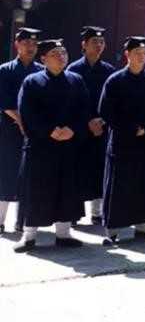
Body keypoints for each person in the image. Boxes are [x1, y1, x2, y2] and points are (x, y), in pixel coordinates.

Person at [13, 39, 88, 252]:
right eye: (55, 53)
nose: (61, 56)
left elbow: (84, 110)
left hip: (68, 146)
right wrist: (49, 131)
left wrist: (73, 129)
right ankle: (29, 237)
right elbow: (27, 113)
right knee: (36, 191)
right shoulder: (32, 81)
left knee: (66, 189)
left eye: (63, 52)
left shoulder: (76, 80)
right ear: (43, 58)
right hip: (41, 147)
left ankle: (63, 234)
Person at [99, 36, 145, 245]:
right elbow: (106, 111)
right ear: (127, 55)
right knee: (118, 186)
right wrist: (131, 128)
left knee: (143, 184)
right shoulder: (115, 81)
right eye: (137, 54)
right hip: (122, 142)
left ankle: (141, 226)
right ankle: (112, 230)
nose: (141, 57)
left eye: (144, 54)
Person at [68, 25, 114, 225]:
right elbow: (71, 102)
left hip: (102, 128)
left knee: (99, 168)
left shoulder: (109, 71)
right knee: (77, 168)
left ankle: (97, 212)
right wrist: (87, 121)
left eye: (101, 42)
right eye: (94, 42)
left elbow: (113, 101)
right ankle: (73, 213)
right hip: (80, 128)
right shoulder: (73, 70)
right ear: (84, 45)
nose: (99, 45)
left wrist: (101, 120)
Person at [0, 27, 41, 234]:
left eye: (34, 44)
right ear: (17, 44)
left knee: (29, 177)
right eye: (26, 43)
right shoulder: (5, 70)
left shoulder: (41, 71)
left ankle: (22, 221)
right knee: (6, 174)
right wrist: (22, 121)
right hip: (9, 130)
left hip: (34, 133)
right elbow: (5, 101)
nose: (30, 47)